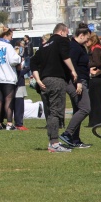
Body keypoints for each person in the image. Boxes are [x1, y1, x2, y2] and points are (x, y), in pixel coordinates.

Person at [30, 23, 77, 153]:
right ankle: (55, 143)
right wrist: (73, 70)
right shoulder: (61, 40)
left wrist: (38, 80)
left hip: (44, 81)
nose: (67, 36)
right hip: (57, 80)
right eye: (67, 33)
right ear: (62, 32)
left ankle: (52, 140)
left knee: (49, 112)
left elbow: (33, 62)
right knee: (56, 111)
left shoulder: (45, 45)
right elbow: (65, 56)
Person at [59, 24, 92, 148]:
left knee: (78, 110)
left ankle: (75, 139)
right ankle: (68, 133)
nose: (88, 41)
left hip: (81, 80)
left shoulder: (80, 47)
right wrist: (77, 81)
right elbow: (72, 66)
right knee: (85, 108)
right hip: (78, 81)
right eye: (87, 38)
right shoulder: (74, 47)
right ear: (81, 35)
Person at [0, 26, 22, 131]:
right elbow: (14, 60)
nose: (11, 39)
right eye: (11, 36)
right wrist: (19, 57)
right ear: (6, 35)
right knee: (9, 100)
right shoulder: (8, 46)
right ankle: (9, 123)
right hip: (7, 77)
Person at [88, 34, 101, 127]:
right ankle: (100, 120)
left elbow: (97, 62)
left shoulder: (95, 50)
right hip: (100, 77)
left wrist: (87, 65)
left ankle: (95, 121)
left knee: (94, 100)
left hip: (96, 76)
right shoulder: (100, 49)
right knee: (98, 100)